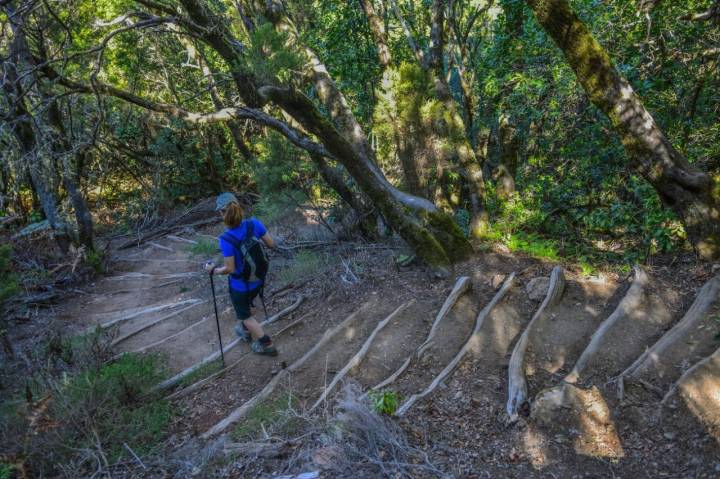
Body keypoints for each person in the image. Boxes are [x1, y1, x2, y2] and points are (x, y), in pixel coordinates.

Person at [204, 192, 278, 356]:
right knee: (247, 306)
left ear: (222, 213)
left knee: (245, 316)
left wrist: (213, 270)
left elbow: (229, 268)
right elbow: (271, 244)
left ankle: (267, 345)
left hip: (240, 286)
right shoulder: (254, 224)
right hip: (258, 279)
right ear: (238, 206)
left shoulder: (226, 239)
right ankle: (244, 329)